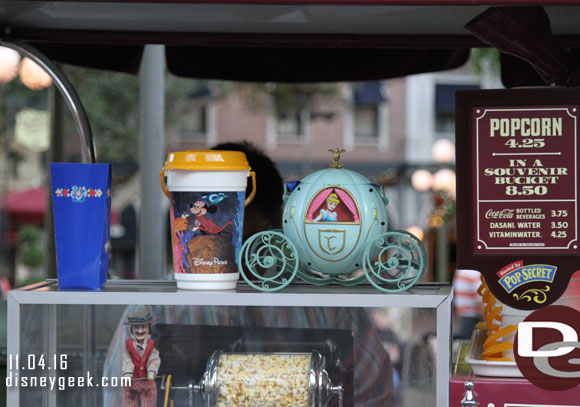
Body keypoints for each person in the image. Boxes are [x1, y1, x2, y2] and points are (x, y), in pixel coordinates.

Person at [104, 141, 394, 406]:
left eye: (242, 243)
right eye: (211, 240)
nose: (225, 261)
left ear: (277, 223)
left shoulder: (330, 307)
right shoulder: (154, 310)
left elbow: (375, 394)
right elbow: (119, 395)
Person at [121, 311, 161, 407]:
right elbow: (127, 360)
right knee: (128, 400)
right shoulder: (128, 347)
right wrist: (127, 373)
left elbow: (154, 360)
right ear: (132, 329)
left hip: (147, 381)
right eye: (136, 327)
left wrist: (152, 371)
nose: (140, 330)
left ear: (148, 329)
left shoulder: (151, 347)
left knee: (149, 399)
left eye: (143, 327)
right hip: (132, 381)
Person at [452, 269, 483, 340]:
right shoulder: (474, 273)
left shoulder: (461, 271)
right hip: (473, 320)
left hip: (462, 317)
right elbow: (481, 303)